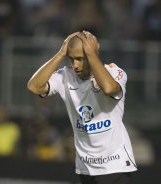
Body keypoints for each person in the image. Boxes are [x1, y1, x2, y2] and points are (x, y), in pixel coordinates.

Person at [27, 31, 137, 184]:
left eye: (80, 59)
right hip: (85, 168)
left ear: (93, 53)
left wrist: (91, 54)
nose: (75, 65)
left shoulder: (114, 72)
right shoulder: (66, 76)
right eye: (71, 59)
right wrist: (60, 54)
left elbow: (109, 89)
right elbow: (34, 86)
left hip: (115, 166)